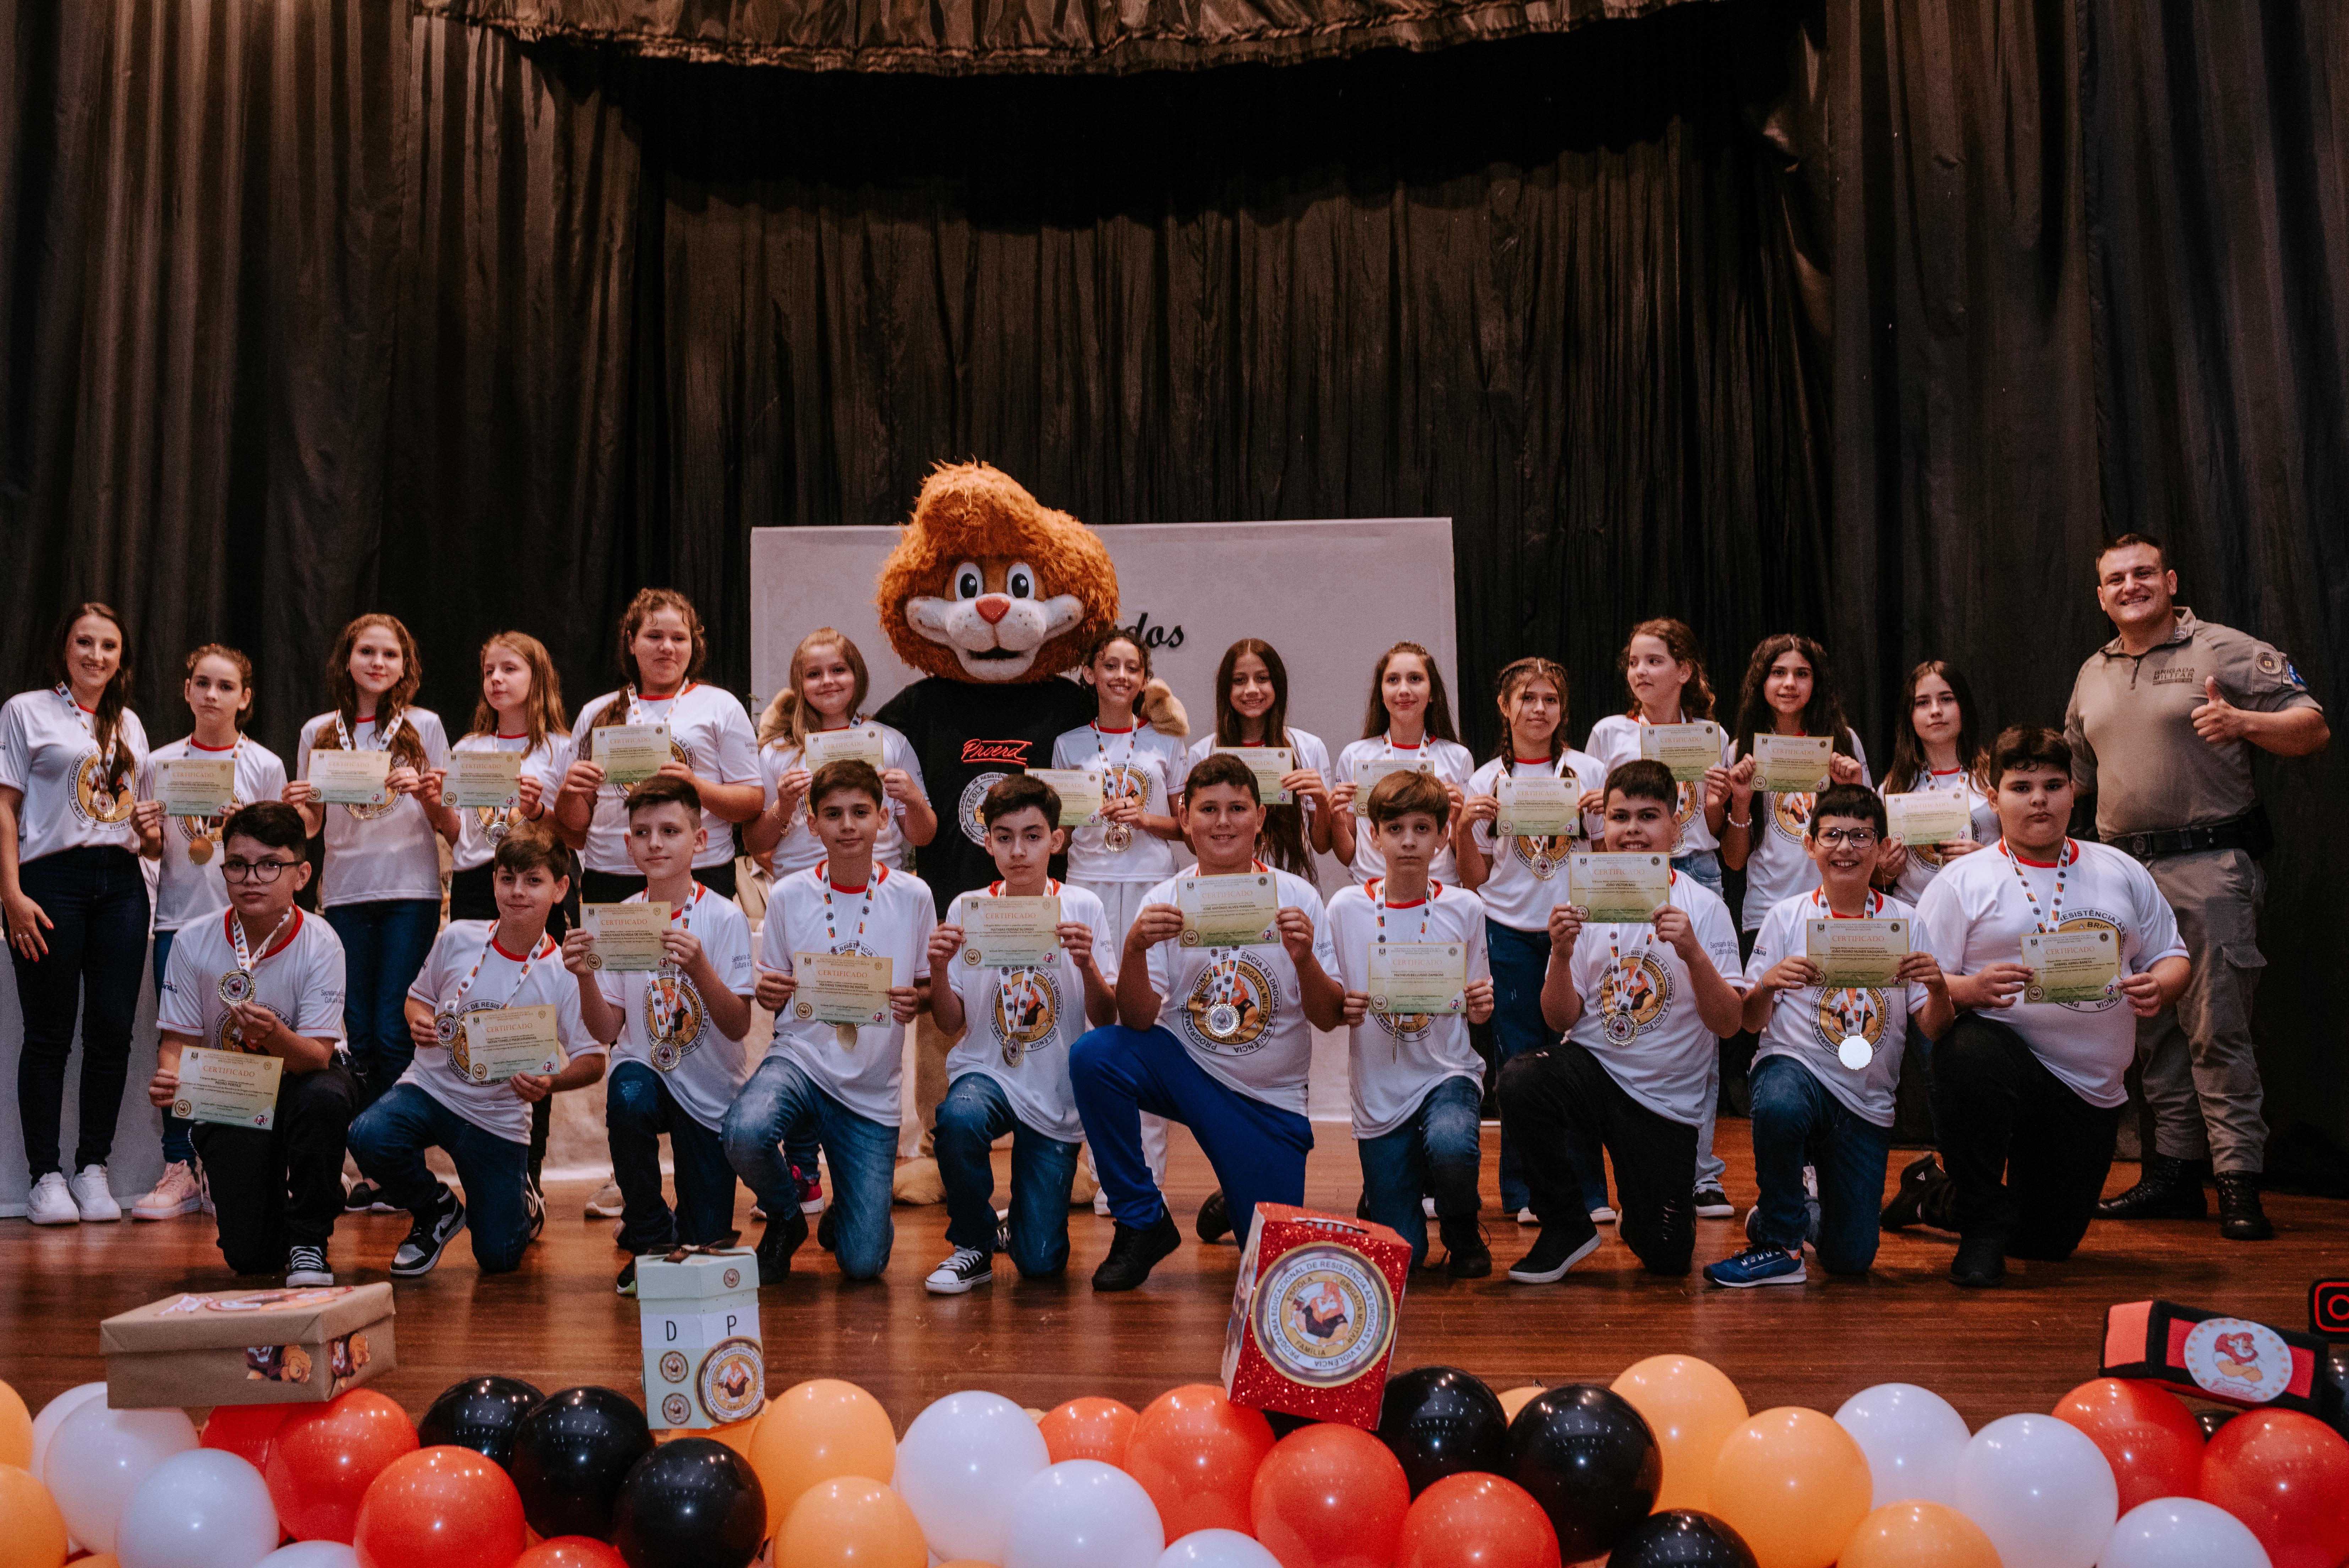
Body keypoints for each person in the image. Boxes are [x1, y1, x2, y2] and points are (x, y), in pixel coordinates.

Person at [2065, 535, 2328, 1241]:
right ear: (2100, 595)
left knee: (2216, 1030)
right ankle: (2174, 1176)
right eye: (2115, 579)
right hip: (2124, 878)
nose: (2130, 586)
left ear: (2170, 579)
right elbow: (2073, 778)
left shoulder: (2222, 649)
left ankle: (2237, 1181)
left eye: (2142, 573)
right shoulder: (2091, 672)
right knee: (2152, 1031)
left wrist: (2243, 722)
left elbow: (2311, 727)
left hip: (2209, 866)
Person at [1901, 726, 2190, 1288]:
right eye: (2021, 787)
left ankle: (1928, 1195)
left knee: (2046, 1244)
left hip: (2088, 1088)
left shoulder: (2120, 870)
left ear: (2073, 792)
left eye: (2053, 786)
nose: (2039, 800)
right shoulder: (1960, 882)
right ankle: (1981, 1232)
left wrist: (2161, 986)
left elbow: (2173, 956)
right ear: (1994, 798)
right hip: (2002, 1065)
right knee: (1966, 1051)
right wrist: (1969, 988)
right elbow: (1923, 992)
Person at [1069, 752, 1345, 1291]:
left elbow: (1328, 1017)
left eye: (1237, 808)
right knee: (1095, 1056)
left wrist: (1304, 959)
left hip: (1267, 1100)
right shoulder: (1164, 898)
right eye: (1208, 809)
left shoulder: (1297, 896)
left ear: (1260, 818)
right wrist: (1133, 948)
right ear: (1184, 817)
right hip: (1188, 1070)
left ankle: (1237, 1186)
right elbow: (1138, 1021)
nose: (1223, 822)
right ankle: (1141, 1220)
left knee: (1271, 1267)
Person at [1499, 759, 1743, 1284]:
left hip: (1664, 1103)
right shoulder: (1583, 901)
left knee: (1667, 1261)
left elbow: (1728, 1024)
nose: (1632, 829)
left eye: (1648, 816)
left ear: (1675, 827)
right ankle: (1566, 1224)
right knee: (1520, 1080)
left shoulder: (1703, 908)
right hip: (1595, 1070)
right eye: (1619, 816)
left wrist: (1694, 953)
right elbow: (1559, 1017)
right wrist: (1560, 955)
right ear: (1603, 825)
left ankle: (1642, 1211)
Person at [1703, 785, 1949, 1286]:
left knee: (1850, 1258)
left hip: (1865, 1099)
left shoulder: (1907, 922)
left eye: (1860, 836)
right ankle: (1779, 1243)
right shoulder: (1786, 916)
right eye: (1832, 835)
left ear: (1882, 848)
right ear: (1810, 845)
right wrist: (1768, 983)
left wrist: (1939, 987)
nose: (1845, 848)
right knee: (1780, 1102)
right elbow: (1749, 1022)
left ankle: (1786, 1217)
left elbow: (1932, 1026)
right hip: (1797, 1068)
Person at [350, 827, 604, 1278]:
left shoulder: (566, 972)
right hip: (430, 1090)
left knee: (499, 1258)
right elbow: (417, 998)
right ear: (493, 881)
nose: (518, 891)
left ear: (560, 888)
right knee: (368, 1134)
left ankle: (520, 1202)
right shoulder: (459, 936)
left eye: (533, 880)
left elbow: (593, 1061)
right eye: (508, 878)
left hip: (497, 1118)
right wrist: (418, 1020)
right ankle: (436, 1209)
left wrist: (550, 1083)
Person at [745, 628, 934, 1230]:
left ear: (857, 676)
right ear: (798, 683)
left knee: (860, 1024)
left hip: (878, 897)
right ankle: (801, 1171)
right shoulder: (778, 752)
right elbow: (755, 840)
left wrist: (909, 799)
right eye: (814, 673)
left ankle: (852, 1174)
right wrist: (782, 805)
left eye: (839, 670)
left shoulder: (890, 742)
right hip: (805, 897)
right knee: (805, 1026)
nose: (827, 682)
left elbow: (924, 833)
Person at [731, 760, 934, 1283]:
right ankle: (786, 1216)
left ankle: (849, 1209)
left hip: (869, 1087)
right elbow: (773, 988)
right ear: (812, 823)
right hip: (800, 1061)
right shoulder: (789, 894)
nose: (847, 825)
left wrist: (916, 1000)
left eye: (860, 812)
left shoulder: (914, 895)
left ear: (883, 819)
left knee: (864, 1265)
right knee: (744, 1132)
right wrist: (768, 991)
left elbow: (926, 988)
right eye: (833, 814)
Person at [563, 776, 755, 1295]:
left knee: (704, 1245)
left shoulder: (725, 917)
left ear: (701, 840)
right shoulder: (619, 920)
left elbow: (738, 1024)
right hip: (646, 1069)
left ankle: (679, 1232)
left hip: (709, 1090)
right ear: (628, 845)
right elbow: (608, 1029)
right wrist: (584, 976)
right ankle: (649, 1238)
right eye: (643, 833)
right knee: (628, 1093)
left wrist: (700, 969)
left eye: (670, 831)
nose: (655, 843)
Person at [923, 774, 1115, 1292]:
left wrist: (1087, 965)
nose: (1018, 851)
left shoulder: (1083, 907)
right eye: (1004, 837)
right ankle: (973, 1244)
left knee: (1041, 1264)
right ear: (987, 843)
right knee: (959, 1119)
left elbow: (1107, 1017)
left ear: (1057, 840)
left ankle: (1021, 1225)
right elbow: (949, 1023)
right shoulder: (967, 907)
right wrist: (938, 969)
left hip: (1054, 1090)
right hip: (986, 1071)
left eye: (1033, 836)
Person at [146, 803, 351, 1283]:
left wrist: (273, 1035)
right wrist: (170, 1077)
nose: (251, 878)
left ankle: (309, 1239)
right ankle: (291, 1198)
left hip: (305, 1078)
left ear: (301, 875)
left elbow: (316, 1058)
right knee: (251, 1258)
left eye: (269, 865)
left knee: (325, 1099)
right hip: (235, 1090)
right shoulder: (192, 940)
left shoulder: (321, 942)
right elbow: (177, 1041)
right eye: (237, 865)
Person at [1712, 633, 1870, 1220]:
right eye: (1777, 672)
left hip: (1837, 909)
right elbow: (1733, 860)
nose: (1788, 683)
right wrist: (1740, 799)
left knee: (1835, 1029)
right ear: (1761, 683)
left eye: (1801, 673)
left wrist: (1852, 784)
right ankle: (1789, 1174)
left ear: (1815, 683)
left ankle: (1831, 1158)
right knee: (1775, 1043)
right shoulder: (1742, 748)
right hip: (1767, 915)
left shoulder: (1844, 742)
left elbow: (1866, 834)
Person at [128, 644, 288, 1221]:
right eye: (202, 683)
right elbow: (154, 851)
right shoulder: (159, 762)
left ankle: (231, 1168)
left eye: (225, 686)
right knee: (181, 1040)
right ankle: (180, 1165)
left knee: (244, 1040)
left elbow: (280, 851)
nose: (212, 694)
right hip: (179, 918)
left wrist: (249, 823)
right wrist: (147, 833)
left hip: (249, 923)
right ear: (186, 690)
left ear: (245, 698)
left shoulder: (264, 764)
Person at [2, 603, 150, 1225]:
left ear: (122, 658)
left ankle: (93, 1167)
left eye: (108, 645)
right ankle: (45, 1176)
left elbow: (137, 818)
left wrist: (155, 830)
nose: (96, 655)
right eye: (84, 642)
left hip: (121, 883)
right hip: (50, 881)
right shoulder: (25, 710)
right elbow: (5, 806)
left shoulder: (130, 723)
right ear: (64, 647)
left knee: (112, 1031)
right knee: (49, 1033)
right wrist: (11, 894)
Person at [286, 614, 457, 1149]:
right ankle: (364, 1151)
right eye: (367, 652)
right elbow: (312, 827)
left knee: (392, 1027)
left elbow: (447, 819)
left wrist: (425, 792)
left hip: (411, 892)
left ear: (406, 666)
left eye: (390, 654)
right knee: (358, 1031)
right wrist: (297, 808)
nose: (378, 663)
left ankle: (392, 1152)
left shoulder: (425, 726)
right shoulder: (317, 731)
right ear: (347, 660)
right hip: (345, 893)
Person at [1455, 656, 1612, 1226]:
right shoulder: (1485, 780)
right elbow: (1474, 877)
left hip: (1576, 930)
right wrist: (1461, 826)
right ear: (1505, 707)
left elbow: (1610, 863)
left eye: (1550, 698)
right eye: (1527, 698)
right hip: (1509, 932)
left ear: (1562, 708)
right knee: (1517, 1062)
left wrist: (1601, 818)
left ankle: (1589, 1192)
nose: (1539, 709)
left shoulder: (1588, 771)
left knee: (1578, 1058)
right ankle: (1524, 1192)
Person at [1328, 770, 1495, 1274]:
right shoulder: (1346, 907)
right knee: (1406, 1258)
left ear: (1443, 836)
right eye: (1394, 828)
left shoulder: (1465, 906)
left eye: (1422, 828)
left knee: (1451, 1144)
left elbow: (1479, 1005)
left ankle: (1461, 1223)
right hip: (1380, 1090)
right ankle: (1387, 1199)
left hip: (1447, 1071)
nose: (1407, 841)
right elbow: (1331, 998)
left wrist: (1481, 1005)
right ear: (1373, 835)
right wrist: (1343, 1006)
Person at [1055, 627, 1186, 1210]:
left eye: (1132, 667)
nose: (1120, 676)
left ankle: (1147, 1177)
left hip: (1152, 884)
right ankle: (1102, 1175)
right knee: (1092, 1026)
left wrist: (1143, 818)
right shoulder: (1068, 744)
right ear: (1090, 673)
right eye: (1110, 665)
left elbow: (1186, 826)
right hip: (1088, 885)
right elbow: (1062, 830)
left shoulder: (1166, 742)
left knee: (1146, 1022)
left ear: (1144, 678)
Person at [554, 588, 761, 905]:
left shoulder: (722, 706)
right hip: (612, 874)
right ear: (631, 642)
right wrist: (570, 792)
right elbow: (576, 823)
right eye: (654, 636)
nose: (667, 647)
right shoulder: (597, 711)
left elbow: (752, 803)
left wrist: (696, 787)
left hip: (700, 871)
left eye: (679, 638)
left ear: (693, 644)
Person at [1582, 619, 1732, 896]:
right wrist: (1608, 802)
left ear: (1684, 671)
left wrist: (1716, 804)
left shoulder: (1711, 735)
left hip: (1697, 868)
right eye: (1633, 662)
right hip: (1629, 866)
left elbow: (1711, 828)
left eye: (1653, 661)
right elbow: (1593, 828)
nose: (1640, 671)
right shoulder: (1608, 732)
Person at [1183, 638, 1337, 873]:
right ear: (1226, 688)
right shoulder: (1203, 753)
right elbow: (1194, 847)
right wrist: (1189, 805)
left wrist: (1321, 802)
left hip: (1293, 884)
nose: (1252, 689)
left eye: (1262, 678)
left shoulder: (1309, 747)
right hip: (1229, 885)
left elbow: (1323, 845)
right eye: (1239, 680)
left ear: (1278, 684)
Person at [1331, 643, 1476, 886]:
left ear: (1432, 693)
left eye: (1415, 679)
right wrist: (1335, 817)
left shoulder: (1458, 757)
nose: (1404, 690)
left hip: (1439, 890)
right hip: (1372, 891)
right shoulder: (1354, 756)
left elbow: (1460, 854)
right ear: (1381, 693)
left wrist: (1460, 819)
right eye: (1393, 680)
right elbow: (1348, 856)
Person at [446, 633, 569, 922]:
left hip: (537, 876)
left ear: (537, 677)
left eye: (509, 669)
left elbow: (577, 837)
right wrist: (432, 803)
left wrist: (536, 811)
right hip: (473, 884)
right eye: (489, 671)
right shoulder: (466, 748)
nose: (496, 679)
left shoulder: (563, 747)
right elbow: (456, 837)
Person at [1877, 660, 1999, 903]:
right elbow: (1879, 879)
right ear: (1910, 715)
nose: (1935, 711)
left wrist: (1987, 859)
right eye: (1922, 703)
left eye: (1946, 699)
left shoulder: (1995, 776)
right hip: (1914, 911)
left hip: (1984, 908)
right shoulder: (1893, 787)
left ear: (1964, 706)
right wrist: (1886, 870)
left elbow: (2027, 855)